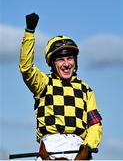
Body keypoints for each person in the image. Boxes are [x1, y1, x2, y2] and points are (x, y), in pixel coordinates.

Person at [19, 13, 103, 160]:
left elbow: (95, 125)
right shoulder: (43, 83)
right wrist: (29, 33)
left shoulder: (86, 90)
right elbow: (26, 68)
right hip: (50, 147)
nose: (66, 64)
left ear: (75, 61)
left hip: (79, 149)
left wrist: (88, 146)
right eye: (60, 59)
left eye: (69, 58)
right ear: (52, 63)